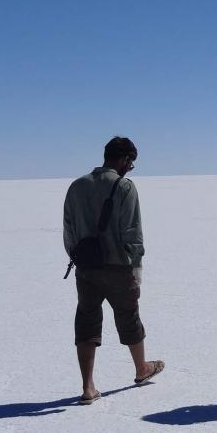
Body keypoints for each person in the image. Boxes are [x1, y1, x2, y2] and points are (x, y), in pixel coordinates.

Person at [63, 137, 164, 404]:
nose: (131, 169)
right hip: (119, 266)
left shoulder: (77, 186)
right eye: (131, 164)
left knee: (86, 322)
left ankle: (88, 387)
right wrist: (135, 266)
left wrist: (78, 257)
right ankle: (141, 369)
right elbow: (133, 233)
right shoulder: (124, 187)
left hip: (86, 268)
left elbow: (69, 230)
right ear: (124, 160)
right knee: (129, 318)